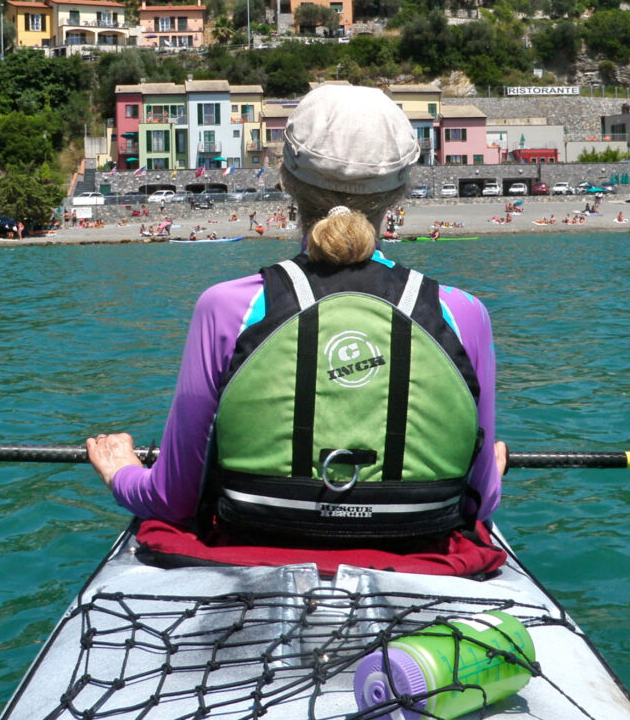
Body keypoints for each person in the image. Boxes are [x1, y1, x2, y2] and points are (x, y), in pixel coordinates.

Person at [88, 85, 507, 574]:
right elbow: (481, 502)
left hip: (252, 544)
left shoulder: (227, 307)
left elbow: (173, 500)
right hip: (416, 547)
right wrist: (491, 474)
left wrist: (123, 473)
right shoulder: (464, 313)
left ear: (286, 180)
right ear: (401, 190)